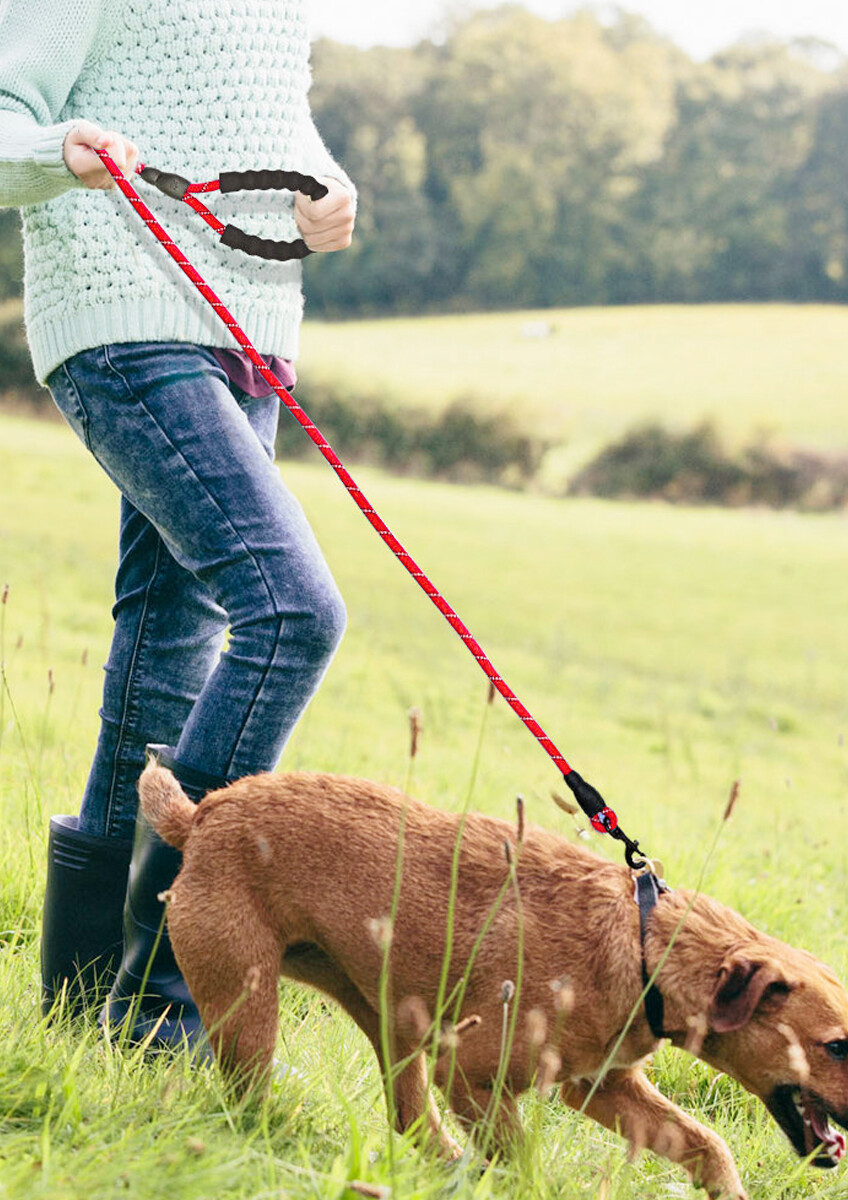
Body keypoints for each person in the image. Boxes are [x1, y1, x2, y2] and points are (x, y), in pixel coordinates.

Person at [0, 0, 357, 1047]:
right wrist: (56, 151)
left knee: (167, 646)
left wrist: (328, 190)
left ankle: (81, 1001)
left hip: (246, 328)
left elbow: (275, 126)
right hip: (125, 324)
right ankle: (162, 1000)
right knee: (293, 613)